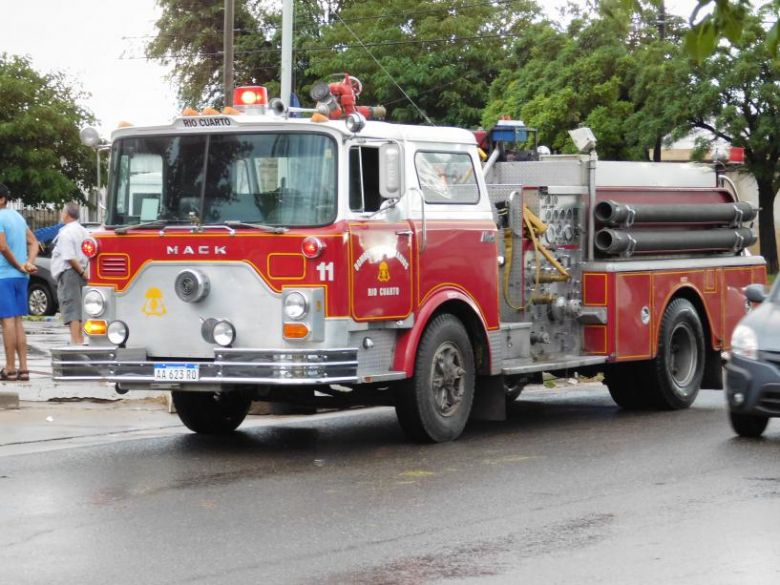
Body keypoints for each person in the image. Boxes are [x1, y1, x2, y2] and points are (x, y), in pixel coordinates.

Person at [0, 183, 39, 382]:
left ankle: (9, 368)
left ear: (2, 199)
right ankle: (24, 368)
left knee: (6, 321)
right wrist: (28, 264)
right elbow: (34, 242)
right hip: (21, 277)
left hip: (4, 275)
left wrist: (17, 265)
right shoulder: (17, 217)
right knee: (17, 321)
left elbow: (2, 247)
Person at [51, 201, 89, 345]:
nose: (61, 214)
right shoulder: (84, 231)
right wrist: (85, 272)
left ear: (67, 214)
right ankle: (80, 339)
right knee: (80, 309)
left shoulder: (66, 232)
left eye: (62, 211)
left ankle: (76, 341)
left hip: (70, 273)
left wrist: (81, 272)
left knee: (72, 308)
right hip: (81, 271)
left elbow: (69, 257)